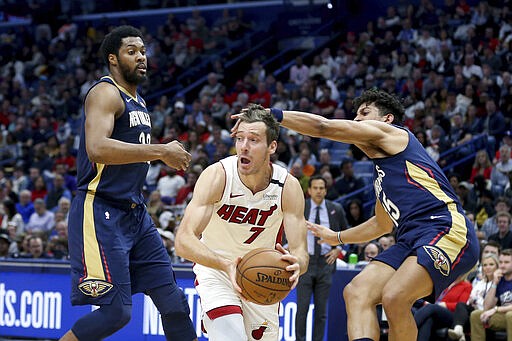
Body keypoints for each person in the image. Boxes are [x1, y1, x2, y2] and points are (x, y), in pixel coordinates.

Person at [236, 89, 480, 340]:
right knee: (356, 292)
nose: (356, 120)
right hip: (411, 238)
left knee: (395, 297)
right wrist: (337, 237)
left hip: (446, 229)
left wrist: (273, 115)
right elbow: (381, 224)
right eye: (355, 115)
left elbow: (322, 126)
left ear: (386, 119)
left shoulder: (395, 135)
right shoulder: (382, 175)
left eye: (364, 113)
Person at [60, 26, 196, 341]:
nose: (140, 57)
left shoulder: (140, 101)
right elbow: (97, 147)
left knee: (174, 302)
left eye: (143, 51)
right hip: (100, 210)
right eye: (131, 51)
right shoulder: (105, 93)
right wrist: (161, 150)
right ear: (113, 58)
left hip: (135, 214)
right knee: (116, 313)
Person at [175, 104, 308, 341]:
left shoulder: (287, 186)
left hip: (262, 276)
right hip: (216, 269)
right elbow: (184, 241)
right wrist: (226, 265)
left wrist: (297, 264)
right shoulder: (218, 176)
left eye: (254, 140)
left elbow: (300, 252)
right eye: (240, 138)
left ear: (272, 147)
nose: (244, 146)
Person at [295, 175, 348, 341]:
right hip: (305, 262)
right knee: (302, 308)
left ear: (326, 190)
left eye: (321, 188)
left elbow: (346, 234)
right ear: (309, 190)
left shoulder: (336, 209)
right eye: (315, 188)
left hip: (325, 263)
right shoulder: (301, 208)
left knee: (321, 311)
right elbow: (287, 231)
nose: (318, 191)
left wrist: (337, 249)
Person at [448, 253, 499, 341]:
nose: (488, 267)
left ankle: (460, 332)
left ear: (497, 267)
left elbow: (490, 305)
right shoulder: (479, 283)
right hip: (473, 313)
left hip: (488, 315)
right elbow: (470, 300)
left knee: (461, 313)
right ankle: (459, 330)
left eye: (491, 264)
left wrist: (476, 302)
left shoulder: (499, 283)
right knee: (461, 308)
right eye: (485, 265)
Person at [413, 272, 472, 341]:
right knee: (428, 319)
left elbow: (462, 305)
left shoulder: (466, 286)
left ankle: (408, 328)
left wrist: (445, 305)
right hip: (437, 311)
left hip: (453, 314)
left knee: (431, 307)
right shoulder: (446, 283)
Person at [470, 249, 512, 340]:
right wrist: (494, 283)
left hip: (509, 315)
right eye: (500, 262)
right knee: (476, 315)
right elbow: (487, 307)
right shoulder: (500, 280)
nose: (502, 265)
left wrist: (496, 309)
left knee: (510, 315)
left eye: (507, 262)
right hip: (503, 316)